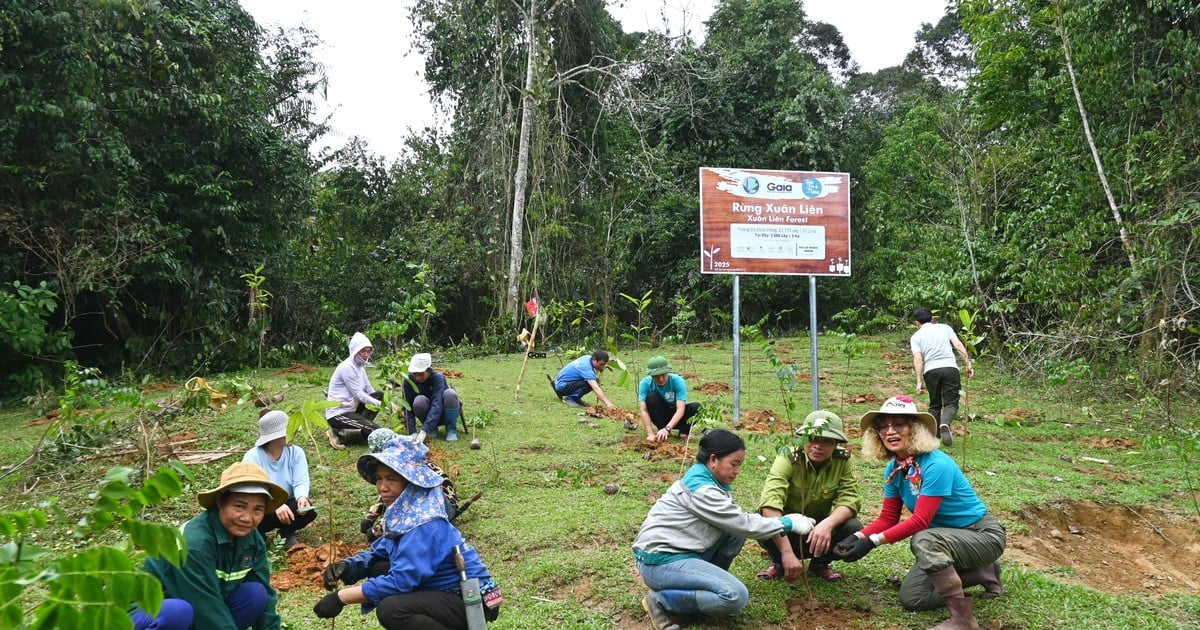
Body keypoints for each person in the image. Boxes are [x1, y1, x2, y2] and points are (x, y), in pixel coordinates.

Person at [832, 396, 1005, 630]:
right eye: (882, 427)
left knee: (924, 537)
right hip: (945, 541)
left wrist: (872, 543)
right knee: (913, 598)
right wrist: (857, 538)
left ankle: (962, 620)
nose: (889, 432)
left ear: (915, 429)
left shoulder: (936, 464)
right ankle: (982, 573)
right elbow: (887, 518)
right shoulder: (895, 469)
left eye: (898, 425)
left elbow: (921, 520)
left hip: (981, 535)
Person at [632, 429, 815, 630]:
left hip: (679, 553)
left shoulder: (707, 479)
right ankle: (661, 602)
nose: (737, 471)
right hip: (660, 563)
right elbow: (744, 524)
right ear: (713, 460)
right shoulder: (703, 490)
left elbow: (736, 523)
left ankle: (702, 592)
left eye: (740, 465)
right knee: (735, 596)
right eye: (734, 464)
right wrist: (788, 523)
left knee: (733, 533)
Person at [314, 435, 502, 629]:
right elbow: (380, 550)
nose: (382, 488)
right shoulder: (404, 513)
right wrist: (348, 566)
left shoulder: (425, 521)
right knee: (379, 567)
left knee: (392, 609)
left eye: (391, 480)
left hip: (471, 597)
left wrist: (341, 598)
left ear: (411, 483)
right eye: (379, 479)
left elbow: (401, 581)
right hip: (443, 590)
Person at [134, 461, 288, 630]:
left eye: (257, 510)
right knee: (177, 612)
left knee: (256, 594)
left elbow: (265, 597)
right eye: (239, 506)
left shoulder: (252, 539)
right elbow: (206, 608)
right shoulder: (195, 543)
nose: (247, 518)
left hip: (197, 611)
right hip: (148, 613)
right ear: (220, 501)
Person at [756, 410, 862, 582]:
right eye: (812, 438)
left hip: (819, 531)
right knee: (763, 520)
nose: (817, 446)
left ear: (836, 443)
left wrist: (827, 525)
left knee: (852, 526)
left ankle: (820, 564)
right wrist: (787, 553)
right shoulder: (788, 456)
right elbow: (770, 503)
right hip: (787, 528)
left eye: (826, 441)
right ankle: (779, 563)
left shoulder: (842, 460)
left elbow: (849, 500)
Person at [359, 428, 460, 544]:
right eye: (379, 479)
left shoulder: (408, 468)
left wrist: (377, 528)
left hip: (443, 504)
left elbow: (404, 503)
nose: (382, 487)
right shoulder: (409, 457)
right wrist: (371, 514)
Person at [242, 409, 316, 550]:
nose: (293, 434)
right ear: (274, 437)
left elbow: (301, 480)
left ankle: (285, 534)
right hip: (261, 504)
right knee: (252, 513)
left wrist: (301, 497)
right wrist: (274, 504)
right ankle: (257, 534)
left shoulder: (296, 452)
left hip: (286, 502)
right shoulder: (252, 457)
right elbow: (252, 489)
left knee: (307, 510)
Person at [910, 307, 975, 446]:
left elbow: (918, 358)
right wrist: (968, 364)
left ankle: (934, 436)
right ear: (932, 319)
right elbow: (957, 344)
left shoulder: (916, 337)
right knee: (951, 403)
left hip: (931, 371)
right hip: (950, 368)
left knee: (934, 405)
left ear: (917, 323)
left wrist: (919, 381)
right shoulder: (945, 328)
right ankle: (945, 423)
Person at [325, 331, 386, 449]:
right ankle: (338, 433)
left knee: (378, 395)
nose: (366, 354)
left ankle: (352, 429)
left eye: (368, 351)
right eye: (363, 351)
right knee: (375, 431)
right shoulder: (347, 367)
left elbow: (369, 390)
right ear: (354, 351)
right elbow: (360, 396)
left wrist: (385, 402)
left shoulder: (360, 368)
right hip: (339, 413)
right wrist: (384, 406)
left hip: (352, 409)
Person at [402, 352, 463, 441]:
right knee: (419, 400)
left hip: (444, 413)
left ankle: (451, 430)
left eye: (421, 374)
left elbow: (437, 404)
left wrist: (424, 430)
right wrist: (412, 431)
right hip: (426, 414)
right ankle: (432, 429)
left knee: (450, 393)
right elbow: (407, 406)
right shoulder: (408, 380)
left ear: (429, 371)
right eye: (415, 374)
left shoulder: (438, 378)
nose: (418, 377)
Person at [638, 356, 700, 443]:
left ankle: (684, 431)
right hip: (661, 415)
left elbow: (680, 409)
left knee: (697, 407)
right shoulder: (645, 383)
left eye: (663, 375)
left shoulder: (678, 381)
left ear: (668, 372)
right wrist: (650, 433)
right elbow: (644, 410)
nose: (661, 379)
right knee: (651, 396)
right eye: (656, 376)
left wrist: (668, 428)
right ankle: (661, 429)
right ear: (651, 375)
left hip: (678, 414)